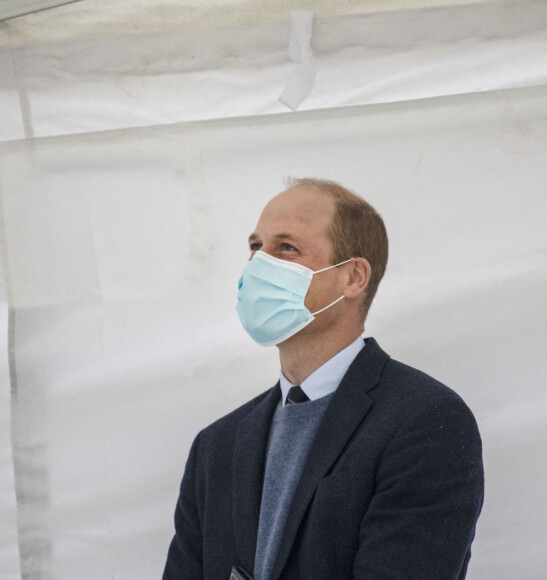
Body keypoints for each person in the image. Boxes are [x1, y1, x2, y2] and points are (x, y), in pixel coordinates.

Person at [163, 178, 484, 580]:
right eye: (255, 247)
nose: (259, 265)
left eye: (286, 248)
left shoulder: (426, 423)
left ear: (353, 277)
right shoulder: (216, 446)